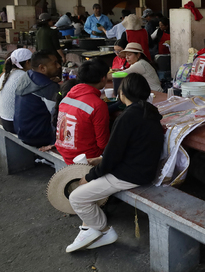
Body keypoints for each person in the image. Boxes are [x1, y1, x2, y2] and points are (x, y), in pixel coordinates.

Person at [66, 73, 164, 252]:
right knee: (90, 189)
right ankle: (88, 229)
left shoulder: (128, 117)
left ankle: (103, 231)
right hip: (141, 169)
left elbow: (113, 155)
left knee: (77, 197)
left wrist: (90, 176)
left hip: (130, 175)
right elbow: (125, 149)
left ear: (123, 94)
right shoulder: (149, 112)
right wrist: (101, 159)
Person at [55, 59, 110, 165]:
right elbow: (103, 144)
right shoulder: (98, 105)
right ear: (103, 78)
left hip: (65, 153)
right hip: (87, 158)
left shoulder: (67, 97)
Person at [14, 50, 61, 148]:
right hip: (38, 136)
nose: (58, 66)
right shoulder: (48, 87)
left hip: (21, 130)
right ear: (42, 68)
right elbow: (57, 115)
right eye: (55, 63)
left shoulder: (27, 76)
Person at [0, 49, 32, 133]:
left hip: (5, 121)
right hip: (16, 125)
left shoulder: (5, 74)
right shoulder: (24, 76)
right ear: (27, 62)